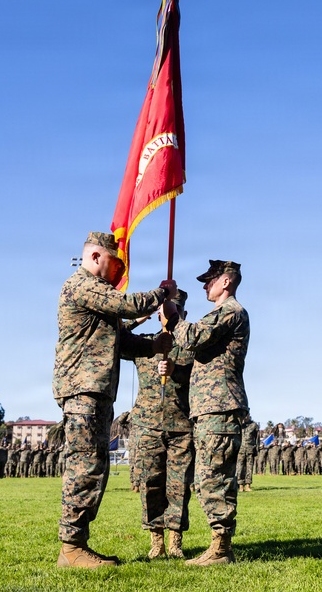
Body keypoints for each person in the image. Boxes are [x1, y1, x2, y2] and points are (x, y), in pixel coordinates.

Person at [53, 231, 177, 569]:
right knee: (85, 468)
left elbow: (120, 341)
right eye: (114, 263)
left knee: (94, 468)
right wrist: (162, 293)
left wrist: (152, 347)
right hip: (84, 392)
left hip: (95, 392)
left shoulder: (96, 297)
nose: (118, 272)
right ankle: (72, 548)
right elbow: (127, 305)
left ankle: (76, 546)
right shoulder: (81, 285)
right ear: (95, 257)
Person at [172, 259, 249, 566]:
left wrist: (175, 319)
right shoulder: (219, 314)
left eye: (210, 280)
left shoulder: (231, 311)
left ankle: (221, 548)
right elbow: (193, 349)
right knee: (206, 479)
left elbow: (192, 338)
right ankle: (218, 545)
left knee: (214, 478)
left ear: (226, 282)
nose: (205, 285)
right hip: (209, 410)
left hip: (221, 408)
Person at [126, 290, 195, 559]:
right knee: (151, 484)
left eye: (174, 311)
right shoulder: (145, 345)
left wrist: (176, 369)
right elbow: (116, 335)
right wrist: (139, 318)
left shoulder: (191, 346)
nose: (168, 315)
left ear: (183, 315)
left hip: (180, 427)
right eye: (164, 311)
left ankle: (176, 541)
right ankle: (157, 541)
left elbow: (205, 376)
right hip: (147, 425)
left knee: (179, 486)